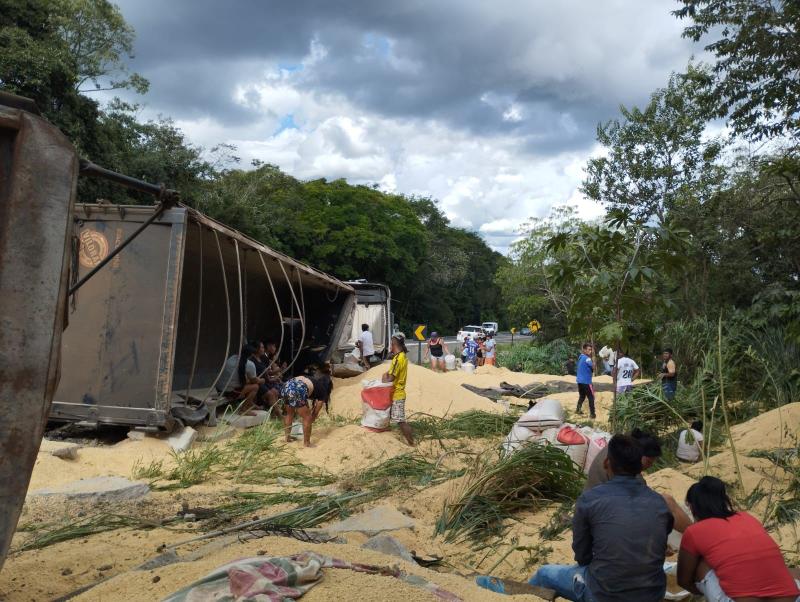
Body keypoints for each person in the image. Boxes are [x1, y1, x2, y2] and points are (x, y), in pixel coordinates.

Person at [477, 435, 674, 600]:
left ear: (607, 463)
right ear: (641, 466)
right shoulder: (659, 503)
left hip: (604, 594)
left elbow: (582, 555)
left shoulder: (590, 499)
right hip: (653, 593)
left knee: (544, 574)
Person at [677, 476, 800, 602]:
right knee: (788, 570)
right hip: (791, 597)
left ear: (692, 507)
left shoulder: (694, 531)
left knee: (700, 562)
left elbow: (683, 580)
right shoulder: (747, 517)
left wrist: (702, 592)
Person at [585, 428, 693, 533]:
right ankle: (695, 535)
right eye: (649, 462)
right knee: (667, 502)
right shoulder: (627, 467)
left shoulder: (618, 449)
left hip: (599, 504)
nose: (650, 466)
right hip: (604, 515)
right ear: (639, 456)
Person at [280, 370, 332, 447]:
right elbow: (315, 413)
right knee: (307, 417)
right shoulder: (323, 390)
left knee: (289, 414)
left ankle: (287, 438)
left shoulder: (312, 380)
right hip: (297, 388)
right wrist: (312, 418)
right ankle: (307, 443)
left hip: (286, 385)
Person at [382, 334, 414, 446]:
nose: (390, 346)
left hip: (397, 394)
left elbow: (390, 378)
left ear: (394, 344)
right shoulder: (402, 356)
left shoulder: (398, 359)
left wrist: (383, 378)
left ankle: (412, 443)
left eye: (391, 343)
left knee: (400, 421)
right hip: (396, 393)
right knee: (387, 417)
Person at [217, 343, 263, 412]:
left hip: (219, 389)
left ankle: (251, 405)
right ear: (251, 355)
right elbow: (255, 381)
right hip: (228, 392)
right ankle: (243, 409)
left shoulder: (232, 357)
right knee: (255, 387)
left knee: (247, 384)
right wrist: (262, 380)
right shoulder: (250, 364)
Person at [575, 343, 596, 419]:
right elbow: (593, 367)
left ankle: (578, 409)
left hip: (579, 381)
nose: (590, 351)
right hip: (586, 381)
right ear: (584, 350)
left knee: (582, 396)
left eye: (591, 350)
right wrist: (593, 363)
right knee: (591, 397)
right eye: (589, 349)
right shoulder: (588, 359)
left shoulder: (580, 357)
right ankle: (592, 414)